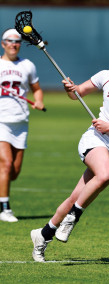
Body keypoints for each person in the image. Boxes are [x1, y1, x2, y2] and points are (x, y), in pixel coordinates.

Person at [31, 37, 109, 262]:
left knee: (75, 197)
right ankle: (73, 218)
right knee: (105, 174)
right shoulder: (107, 75)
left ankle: (43, 235)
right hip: (96, 139)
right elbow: (77, 93)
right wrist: (71, 88)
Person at [0, 28, 45, 222]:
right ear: (3, 44)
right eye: (9, 41)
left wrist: (39, 100)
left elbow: (36, 89)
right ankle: (5, 209)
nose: (13, 44)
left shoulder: (27, 65)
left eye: (17, 41)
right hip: (1, 121)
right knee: (6, 164)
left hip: (21, 122)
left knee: (14, 172)